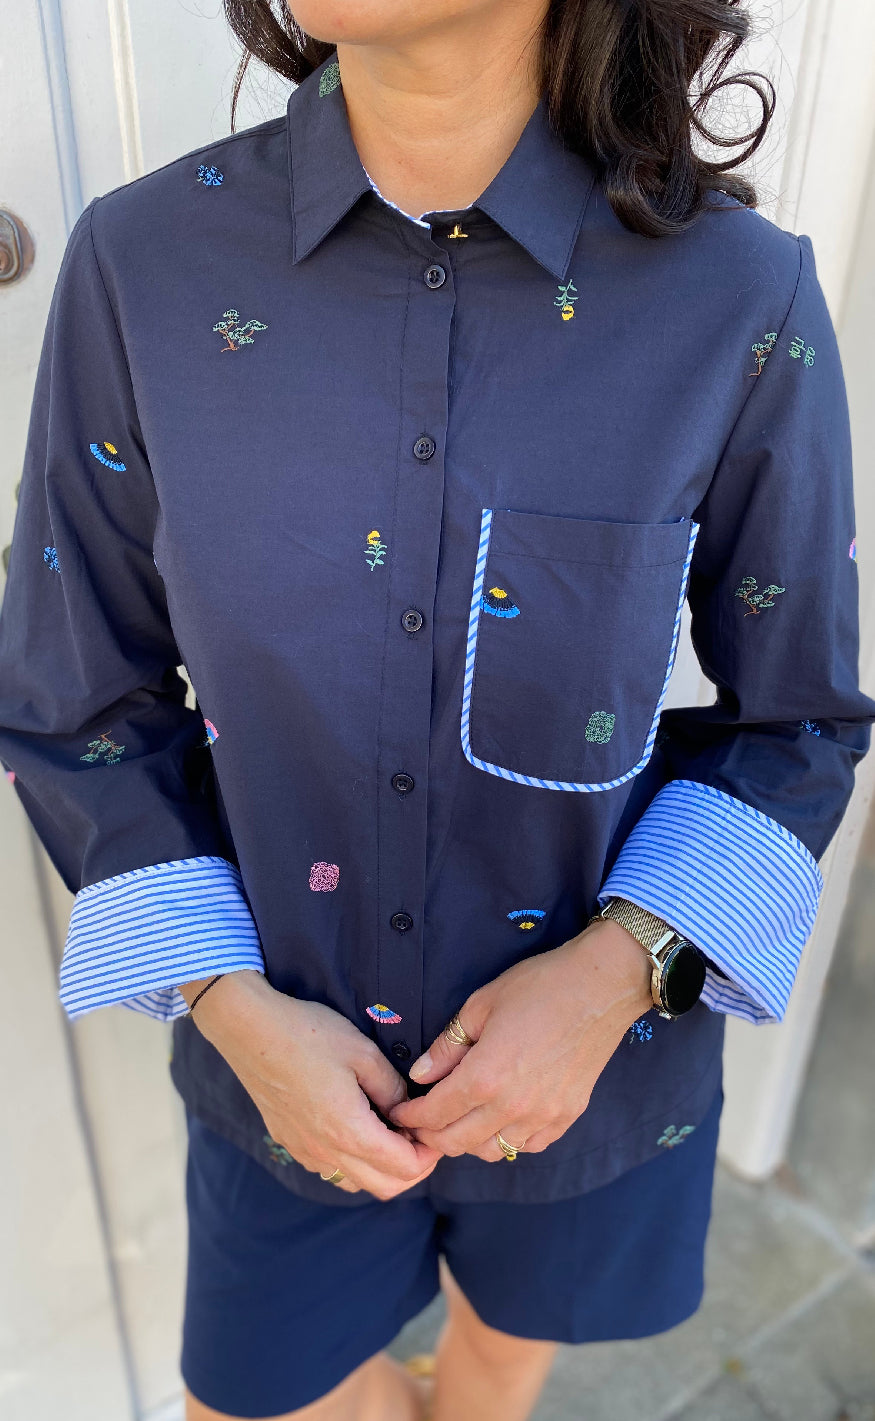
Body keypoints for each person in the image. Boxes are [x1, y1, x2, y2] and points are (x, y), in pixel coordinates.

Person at [1, 1, 873, 1417]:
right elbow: (76, 693)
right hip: (279, 1075)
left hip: (598, 1082)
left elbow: (800, 718)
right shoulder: (142, 262)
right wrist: (230, 1008)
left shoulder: (736, 295)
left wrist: (619, 973)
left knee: (491, 1382)